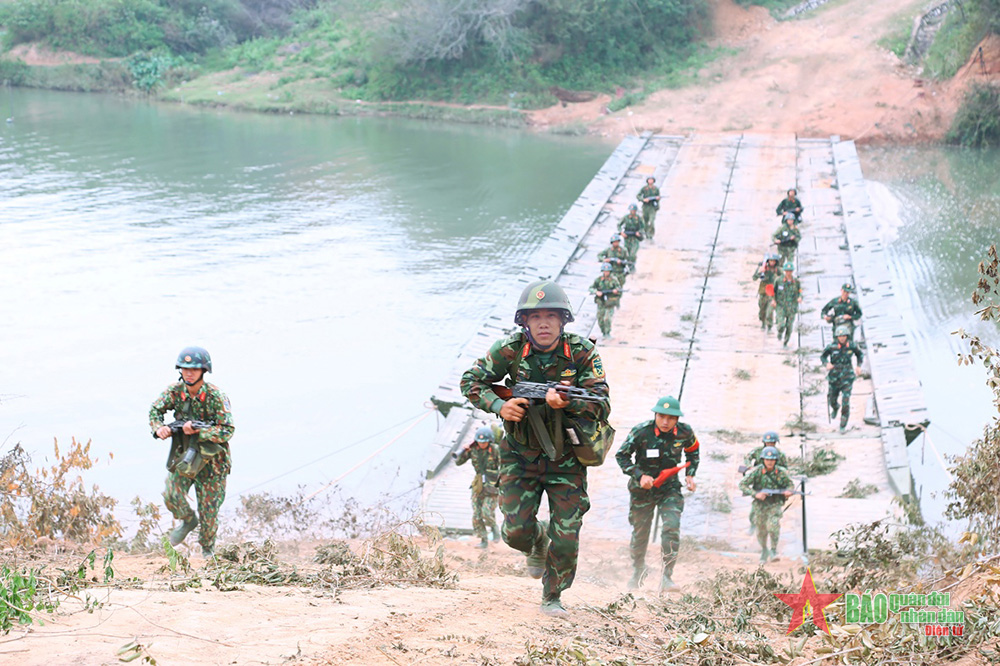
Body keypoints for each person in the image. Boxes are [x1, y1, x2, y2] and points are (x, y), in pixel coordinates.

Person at [460, 280, 611, 617]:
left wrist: (567, 404)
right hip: (519, 453)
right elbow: (470, 381)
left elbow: (601, 403)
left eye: (551, 316)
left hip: (566, 457)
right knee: (515, 532)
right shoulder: (509, 350)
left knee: (567, 535)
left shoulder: (581, 352)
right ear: (524, 322)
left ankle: (552, 596)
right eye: (536, 317)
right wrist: (500, 406)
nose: (544, 324)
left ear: (563, 320)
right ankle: (538, 542)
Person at [149, 346, 235, 558]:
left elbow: (227, 430)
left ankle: (207, 551)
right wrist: (159, 428)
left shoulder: (216, 396)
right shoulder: (175, 392)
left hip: (213, 462)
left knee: (209, 512)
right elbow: (155, 410)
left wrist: (199, 430)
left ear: (204, 371)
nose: (189, 373)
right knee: (172, 494)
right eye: (185, 369)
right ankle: (188, 520)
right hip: (187, 456)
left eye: (194, 369)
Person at [615, 396, 699, 594]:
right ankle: (638, 571)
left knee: (671, 526)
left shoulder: (685, 432)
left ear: (677, 419)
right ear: (655, 415)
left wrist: (690, 474)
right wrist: (639, 475)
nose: (665, 422)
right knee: (640, 533)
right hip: (642, 489)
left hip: (669, 488)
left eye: (670, 418)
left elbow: (693, 452)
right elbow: (622, 456)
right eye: (661, 416)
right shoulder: (641, 431)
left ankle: (667, 576)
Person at [738, 446, 794, 564]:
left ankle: (773, 550)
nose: (769, 462)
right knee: (761, 531)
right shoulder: (757, 471)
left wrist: (788, 491)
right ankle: (764, 550)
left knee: (773, 526)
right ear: (763, 460)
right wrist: (755, 494)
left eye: (772, 460)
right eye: (767, 459)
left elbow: (790, 484)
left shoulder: (781, 472)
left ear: (776, 460)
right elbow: (742, 485)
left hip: (775, 504)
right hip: (760, 505)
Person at [453, 426, 501, 548]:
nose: (481, 444)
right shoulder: (473, 450)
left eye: (484, 442)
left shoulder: (495, 450)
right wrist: (464, 451)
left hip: (492, 486)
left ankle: (494, 528)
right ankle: (483, 540)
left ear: (489, 441)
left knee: (487, 513)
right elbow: (458, 462)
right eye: (479, 441)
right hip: (478, 485)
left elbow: (504, 466)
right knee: (477, 515)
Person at [821, 325, 864, 433]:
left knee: (846, 402)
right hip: (834, 377)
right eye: (840, 336)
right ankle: (835, 407)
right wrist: (826, 364)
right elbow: (823, 356)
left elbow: (860, 355)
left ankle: (843, 425)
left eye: (844, 336)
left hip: (847, 377)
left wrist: (858, 366)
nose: (842, 338)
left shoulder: (852, 346)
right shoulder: (832, 347)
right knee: (832, 398)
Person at [590, 263, 623, 340]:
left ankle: (607, 333)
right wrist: (596, 292)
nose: (606, 273)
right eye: (605, 271)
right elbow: (591, 288)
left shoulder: (614, 280)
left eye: (607, 271)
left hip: (610, 302)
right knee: (600, 319)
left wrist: (616, 291)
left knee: (607, 318)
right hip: (601, 302)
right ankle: (603, 332)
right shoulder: (599, 280)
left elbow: (619, 289)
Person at [774, 262, 802, 347]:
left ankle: (785, 342)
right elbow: (773, 292)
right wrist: (773, 301)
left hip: (792, 307)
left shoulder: (796, 282)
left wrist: (800, 297)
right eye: (787, 271)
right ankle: (780, 332)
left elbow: (800, 291)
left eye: (790, 271)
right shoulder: (779, 280)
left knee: (789, 327)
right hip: (781, 306)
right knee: (781, 324)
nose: (788, 273)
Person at [752, 254, 781, 331]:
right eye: (770, 261)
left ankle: (769, 326)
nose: (772, 263)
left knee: (769, 312)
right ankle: (763, 323)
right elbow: (754, 278)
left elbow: (783, 279)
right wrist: (760, 271)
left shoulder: (778, 270)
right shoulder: (763, 268)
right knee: (762, 310)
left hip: (772, 293)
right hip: (763, 292)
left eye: (773, 261)